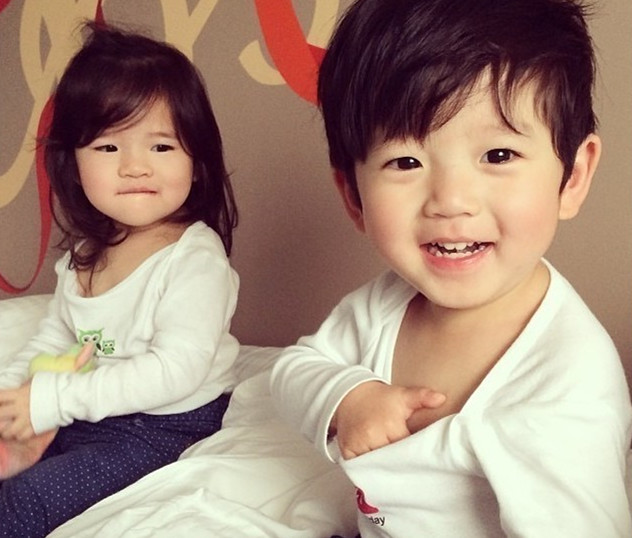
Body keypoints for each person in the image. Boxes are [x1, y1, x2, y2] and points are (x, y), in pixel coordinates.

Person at [270, 0, 632, 535]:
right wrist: (346, 398)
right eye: (406, 162)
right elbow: (293, 370)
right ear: (353, 197)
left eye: (498, 155)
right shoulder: (383, 304)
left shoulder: (565, 391)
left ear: (572, 177)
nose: (451, 200)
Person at [0, 22, 239, 537]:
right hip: (91, 406)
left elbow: (176, 370)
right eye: (109, 148)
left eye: (161, 147)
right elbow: (59, 335)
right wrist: (16, 392)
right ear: (73, 164)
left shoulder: (193, 258)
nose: (134, 167)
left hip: (162, 423)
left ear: (197, 162)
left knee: (26, 502)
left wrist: (56, 399)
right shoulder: (87, 252)